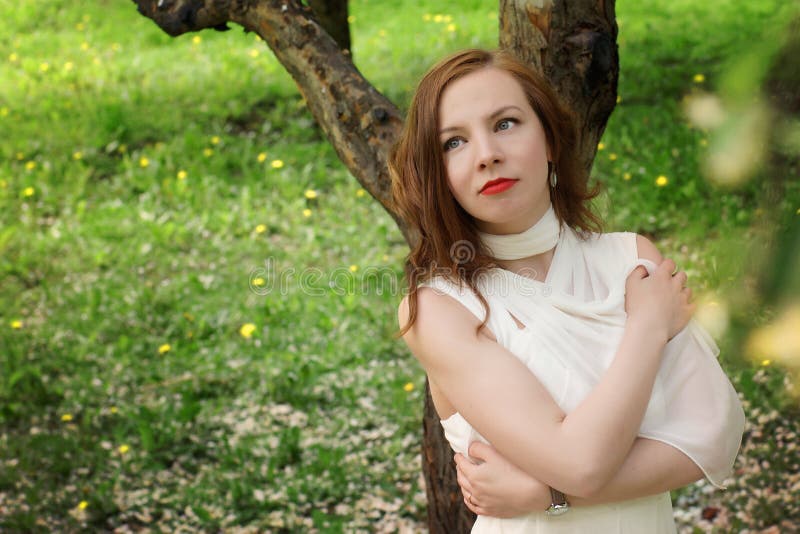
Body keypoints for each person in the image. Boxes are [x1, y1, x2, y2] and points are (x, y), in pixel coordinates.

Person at [390, 48, 744, 532]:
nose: (487, 154)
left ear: (551, 140)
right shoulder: (440, 308)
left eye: (506, 123)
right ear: (438, 174)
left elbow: (714, 437)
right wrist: (646, 326)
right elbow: (579, 463)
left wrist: (543, 493)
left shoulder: (632, 259)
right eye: (454, 142)